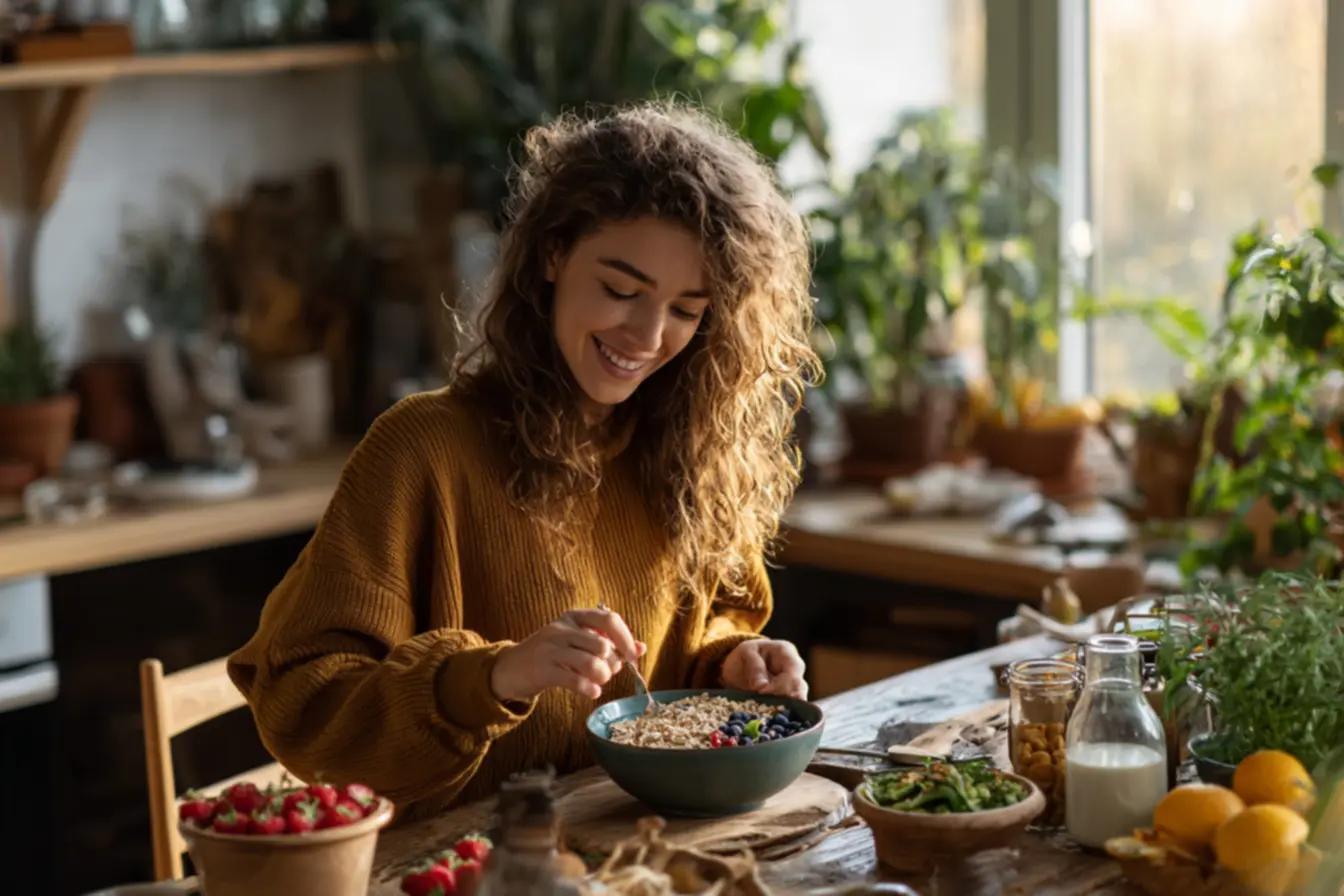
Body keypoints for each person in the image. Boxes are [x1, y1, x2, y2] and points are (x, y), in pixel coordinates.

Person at [227, 102, 821, 820]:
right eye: (621, 290)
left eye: (687, 310)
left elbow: (703, 630)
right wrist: (492, 678)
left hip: (636, 853)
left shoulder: (686, 451)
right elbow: (304, 705)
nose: (647, 333)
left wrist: (730, 665)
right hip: (458, 866)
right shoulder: (423, 449)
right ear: (552, 255)